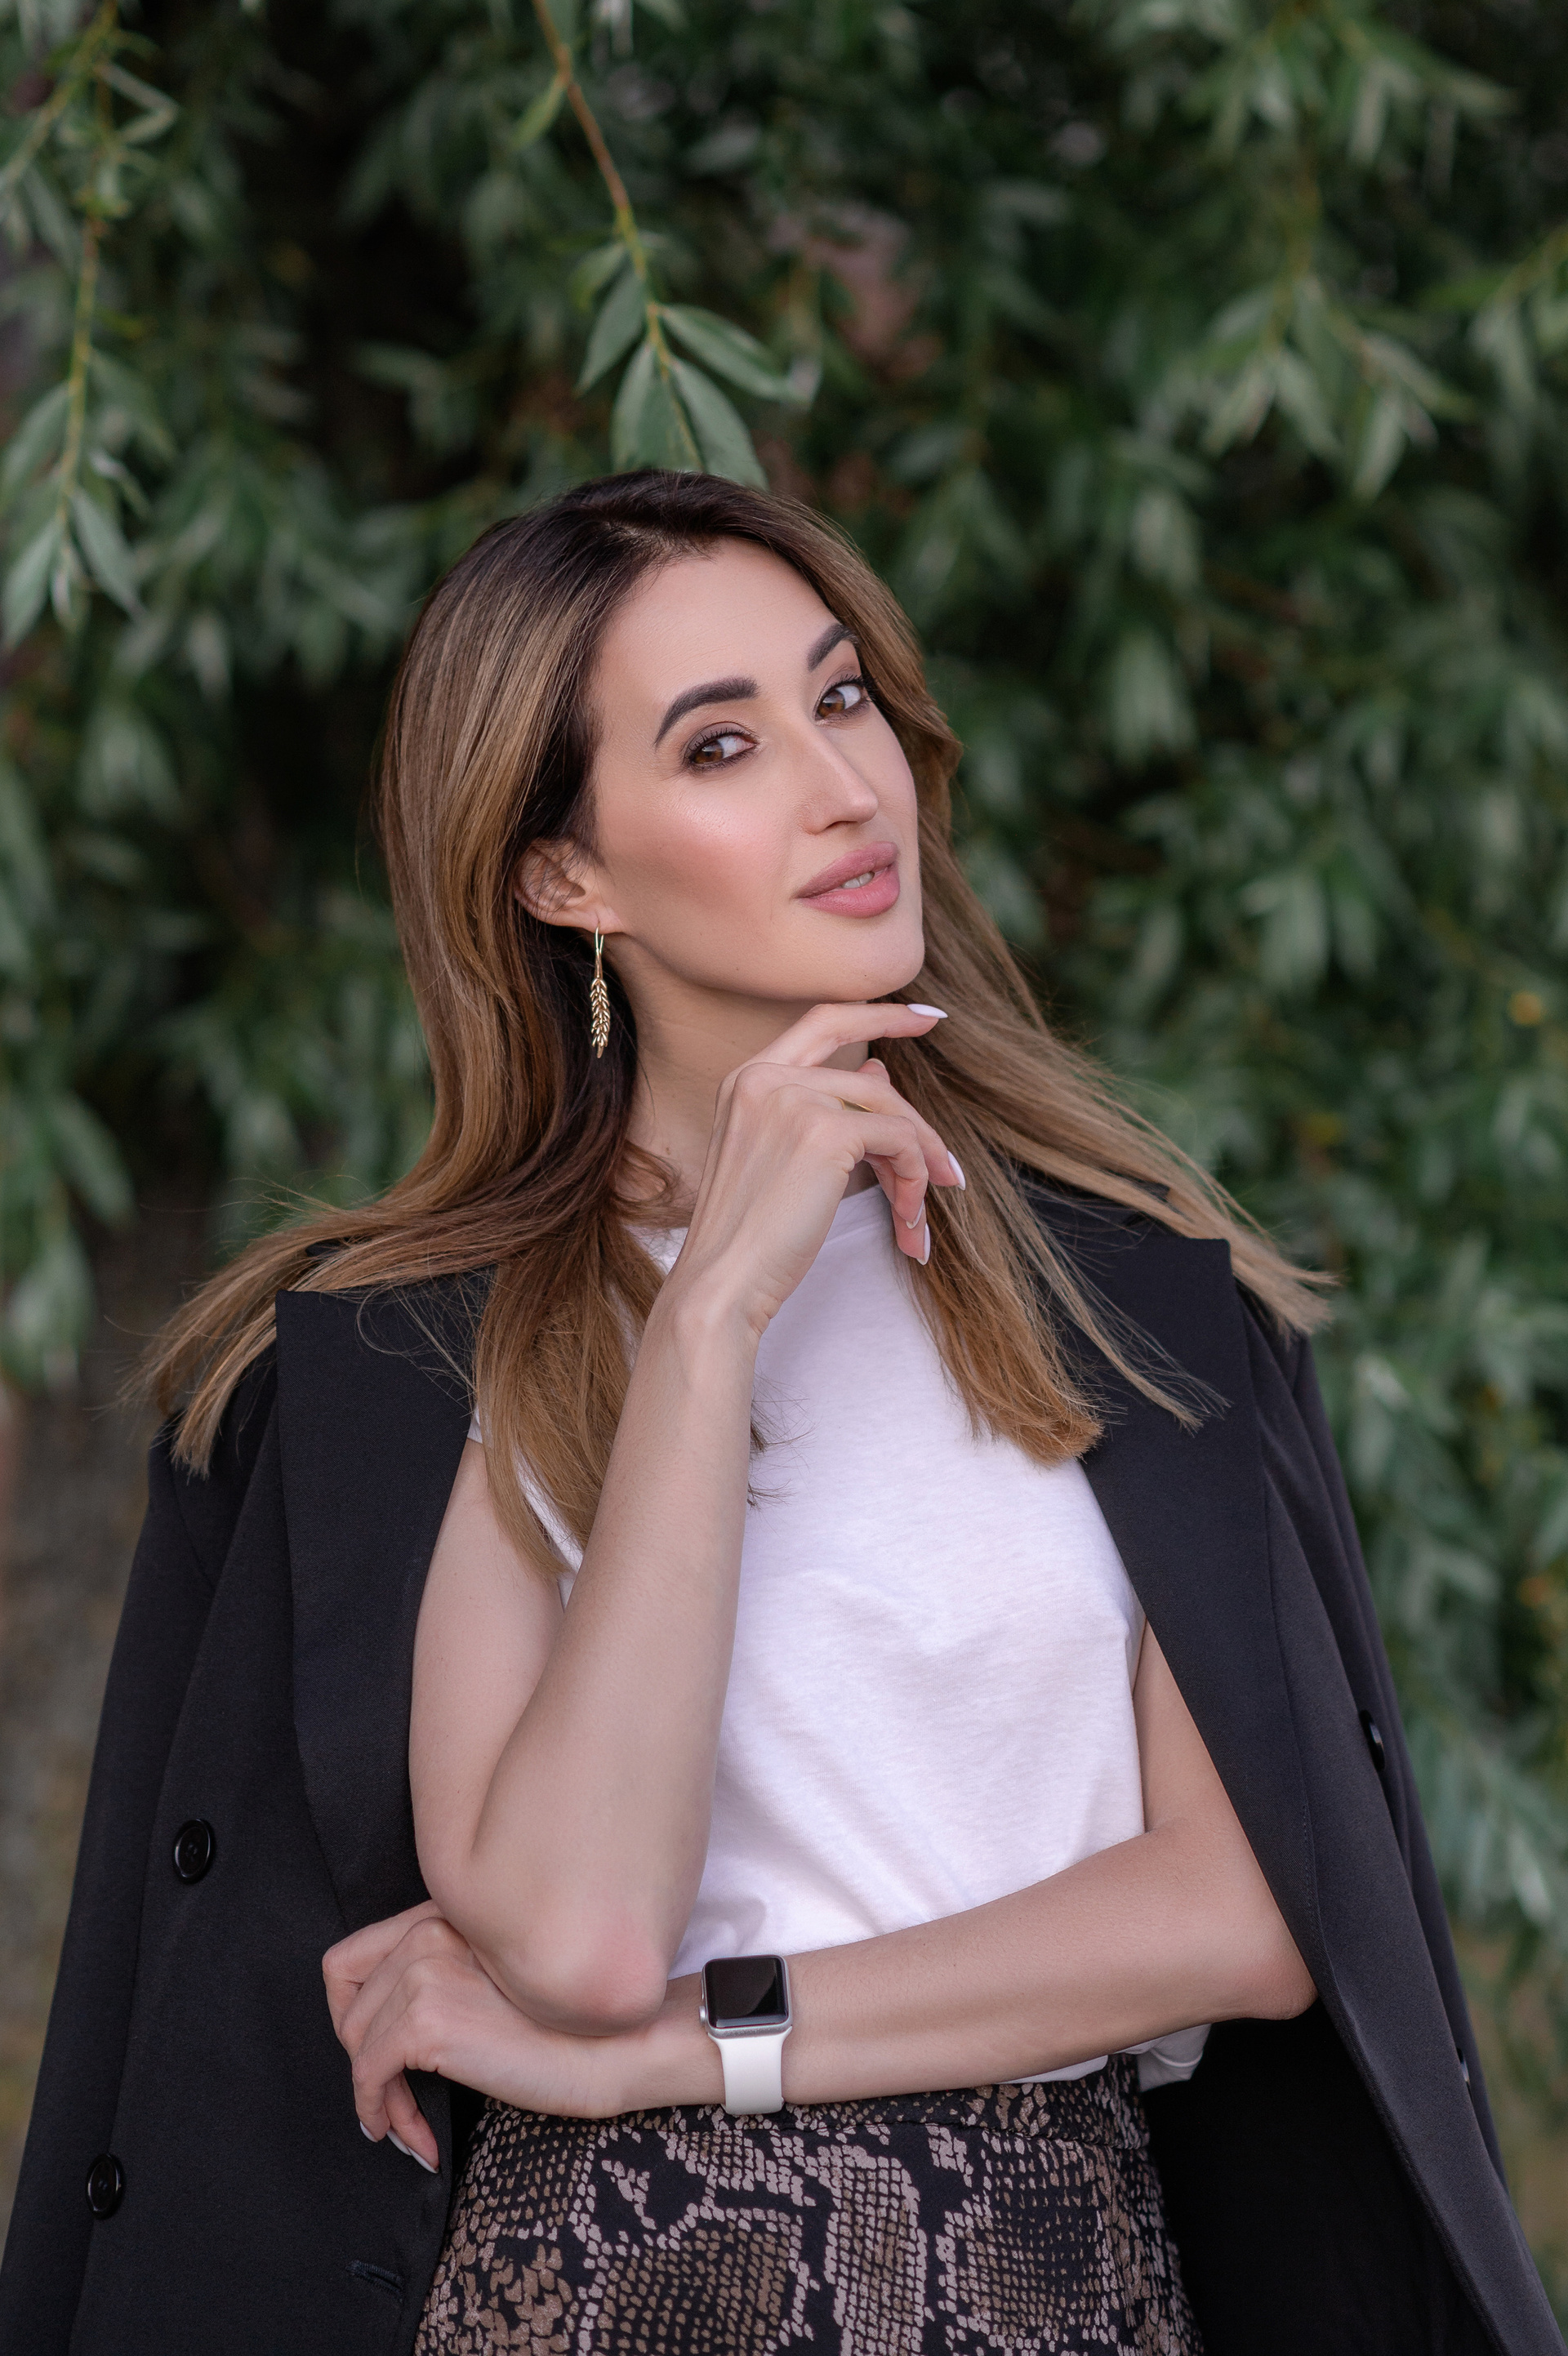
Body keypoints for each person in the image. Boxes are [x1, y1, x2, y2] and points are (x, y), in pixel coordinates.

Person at [0, 471, 1560, 2356]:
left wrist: (693, 2046)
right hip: (600, 2283)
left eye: (842, 699)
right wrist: (711, 1320)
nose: (842, 787)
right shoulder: (427, 1360)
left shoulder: (1131, 1299)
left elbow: (1241, 1919)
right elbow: (578, 1933)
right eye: (721, 745)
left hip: (1042, 2274)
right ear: (561, 874)